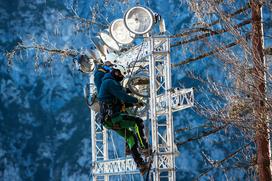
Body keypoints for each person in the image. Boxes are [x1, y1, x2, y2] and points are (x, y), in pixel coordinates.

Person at [97, 64, 151, 175]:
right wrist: (136, 100)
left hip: (109, 121)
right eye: (121, 74)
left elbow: (120, 101)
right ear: (117, 72)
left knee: (130, 136)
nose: (121, 77)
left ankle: (140, 164)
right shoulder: (110, 82)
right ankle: (144, 148)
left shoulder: (109, 83)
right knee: (138, 122)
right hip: (113, 118)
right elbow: (123, 97)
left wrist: (132, 101)